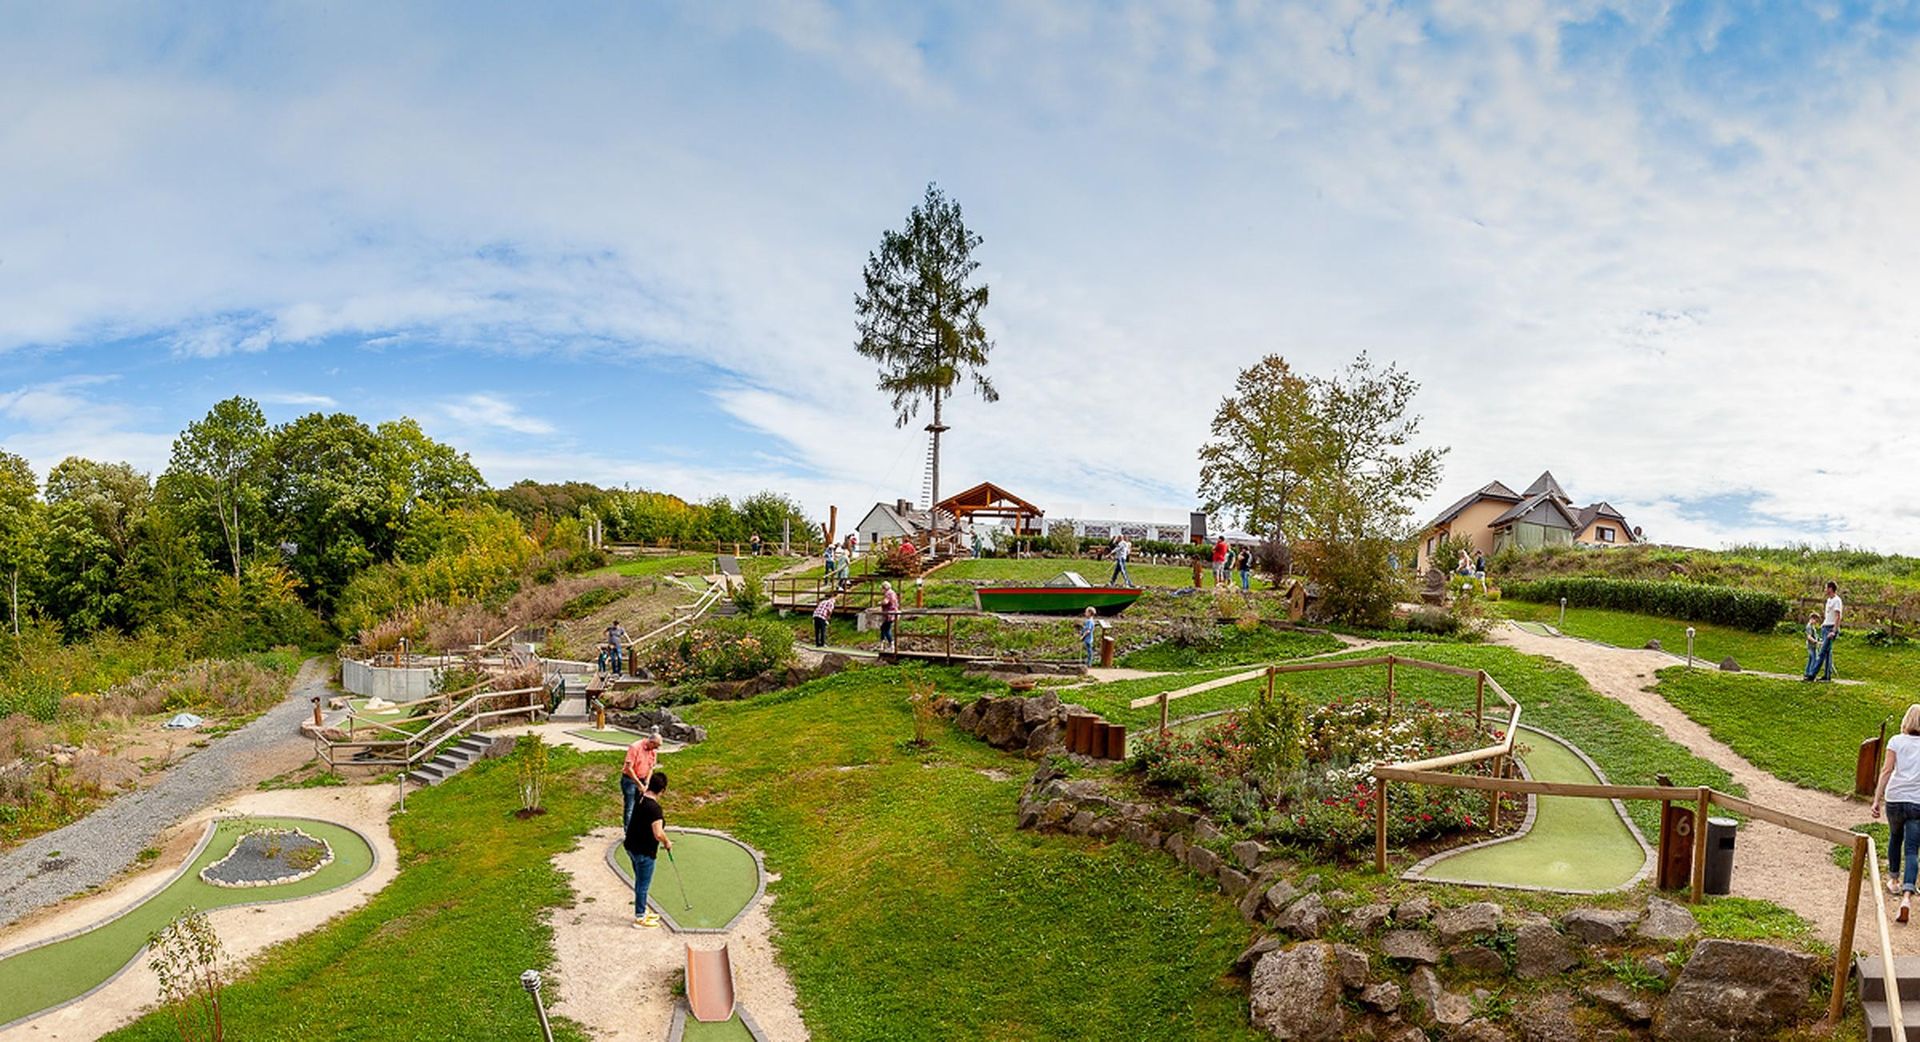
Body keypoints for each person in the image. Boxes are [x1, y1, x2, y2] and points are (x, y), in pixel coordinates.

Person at [1872, 705, 1920, 922]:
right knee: (1912, 849)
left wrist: (1877, 799)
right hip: (1917, 802)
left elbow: (1886, 770)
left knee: (1895, 837)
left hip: (1895, 798)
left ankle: (1893, 880)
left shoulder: (1896, 741)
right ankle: (1907, 896)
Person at [623, 770, 672, 928]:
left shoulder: (641, 798)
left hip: (631, 847)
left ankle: (643, 909)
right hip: (644, 851)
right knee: (643, 885)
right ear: (662, 790)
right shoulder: (655, 809)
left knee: (640, 881)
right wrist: (667, 842)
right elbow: (658, 833)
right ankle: (640, 917)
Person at [620, 734, 662, 827]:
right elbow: (628, 769)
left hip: (643, 780)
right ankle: (628, 832)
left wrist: (647, 782)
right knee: (630, 807)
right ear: (651, 742)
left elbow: (651, 767)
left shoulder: (653, 751)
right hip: (630, 780)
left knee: (640, 807)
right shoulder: (635, 747)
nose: (656, 749)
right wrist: (639, 785)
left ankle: (637, 829)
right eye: (656, 746)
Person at [1805, 581, 1843, 681]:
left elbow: (1838, 617)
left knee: (1822, 652)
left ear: (1830, 589)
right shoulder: (1829, 600)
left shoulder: (1837, 600)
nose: (1825, 590)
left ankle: (1812, 674)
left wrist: (1834, 631)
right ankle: (1827, 676)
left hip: (1831, 629)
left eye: (1826, 588)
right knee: (1827, 652)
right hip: (1825, 627)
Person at [880, 580, 900, 652]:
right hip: (893, 612)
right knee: (883, 628)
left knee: (886, 629)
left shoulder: (888, 593)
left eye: (882, 588)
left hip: (890, 614)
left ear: (884, 588)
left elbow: (886, 602)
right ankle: (883, 644)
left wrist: (880, 602)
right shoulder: (893, 592)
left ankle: (891, 644)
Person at [1802, 611, 1822, 678]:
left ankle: (1807, 672)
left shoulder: (1812, 626)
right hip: (1811, 646)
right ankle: (1811, 673)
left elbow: (1814, 635)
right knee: (1814, 659)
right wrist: (1815, 642)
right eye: (1816, 620)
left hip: (1813, 646)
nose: (1816, 622)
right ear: (1812, 618)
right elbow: (1809, 637)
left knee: (1810, 659)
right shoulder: (1809, 627)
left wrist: (1819, 639)